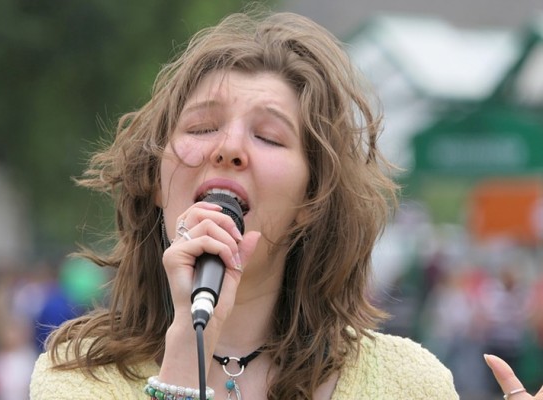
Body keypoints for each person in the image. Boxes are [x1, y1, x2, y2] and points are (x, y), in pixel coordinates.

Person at [29, 9, 465, 399]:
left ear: (312, 199)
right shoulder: (78, 376)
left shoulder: (409, 384)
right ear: (157, 184)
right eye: (201, 128)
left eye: (268, 136)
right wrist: (186, 352)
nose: (229, 147)